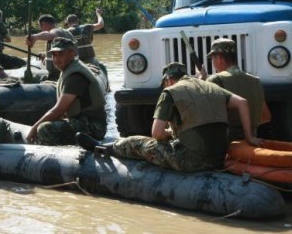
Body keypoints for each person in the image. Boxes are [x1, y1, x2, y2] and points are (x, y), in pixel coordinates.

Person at [76, 62, 262, 172]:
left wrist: (169, 135)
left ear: (168, 80)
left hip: (191, 161)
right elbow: (242, 102)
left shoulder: (170, 92)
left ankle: (103, 149)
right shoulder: (212, 87)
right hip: (220, 157)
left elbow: (156, 134)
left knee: (135, 141)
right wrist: (249, 137)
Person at [26, 37, 107, 145]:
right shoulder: (69, 69)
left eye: (60, 54)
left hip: (94, 127)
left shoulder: (76, 76)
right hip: (81, 121)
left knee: (44, 129)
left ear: (71, 54)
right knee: (45, 122)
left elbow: (59, 110)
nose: (56, 59)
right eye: (54, 55)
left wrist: (33, 129)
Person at [204, 38, 271, 141]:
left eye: (212, 59)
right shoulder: (255, 80)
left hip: (227, 146)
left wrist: (201, 83)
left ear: (219, 59)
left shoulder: (215, 79)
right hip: (252, 143)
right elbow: (266, 116)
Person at [26, 14, 75, 80]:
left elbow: (50, 35)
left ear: (44, 25)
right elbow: (61, 52)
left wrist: (35, 37)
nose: (40, 29)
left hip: (61, 76)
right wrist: (45, 55)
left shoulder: (56, 31)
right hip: (64, 73)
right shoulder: (64, 33)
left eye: (40, 26)